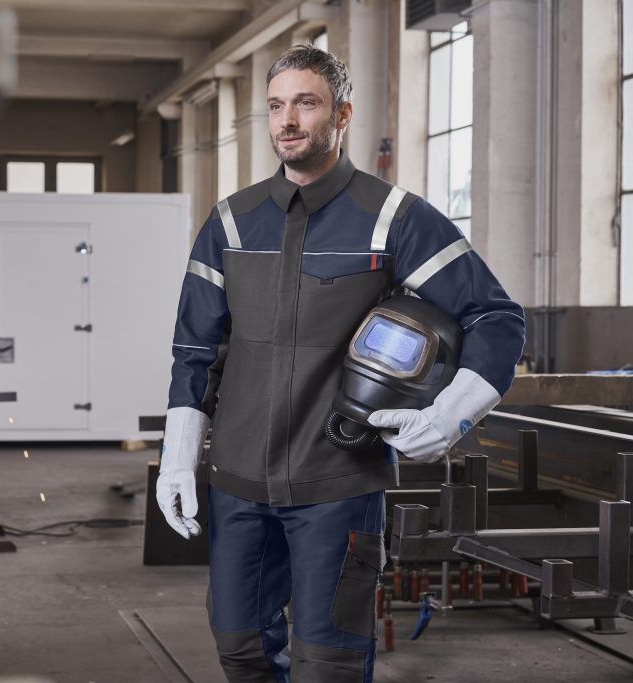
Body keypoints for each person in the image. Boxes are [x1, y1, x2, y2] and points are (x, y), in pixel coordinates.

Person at [157, 45, 525, 682]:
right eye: (276, 106)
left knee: (327, 664)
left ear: (342, 113)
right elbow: (194, 350)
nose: (287, 120)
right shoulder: (230, 224)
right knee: (239, 650)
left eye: (306, 102)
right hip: (238, 482)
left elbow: (497, 317)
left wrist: (452, 416)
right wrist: (176, 455)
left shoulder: (394, 218)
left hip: (338, 487)